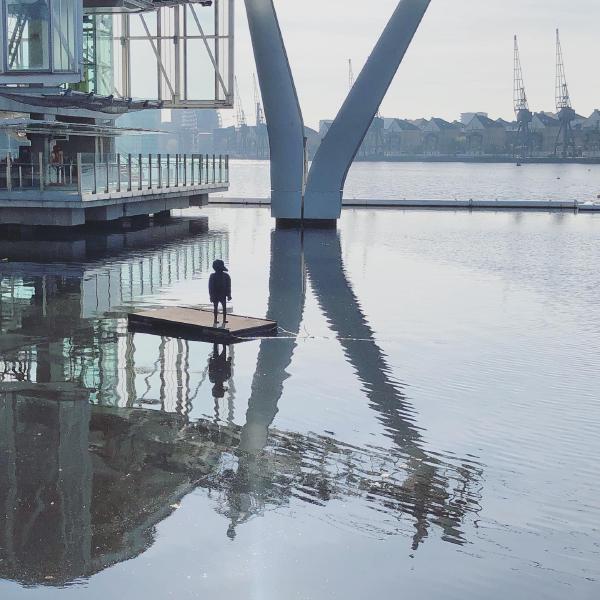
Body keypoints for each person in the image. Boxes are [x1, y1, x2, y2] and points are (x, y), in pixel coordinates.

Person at [209, 259, 232, 324]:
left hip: (223, 294)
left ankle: (224, 319)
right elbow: (210, 287)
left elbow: (228, 286)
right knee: (215, 307)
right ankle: (215, 319)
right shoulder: (212, 276)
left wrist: (229, 295)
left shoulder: (226, 276)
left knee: (224, 307)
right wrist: (211, 296)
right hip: (216, 294)